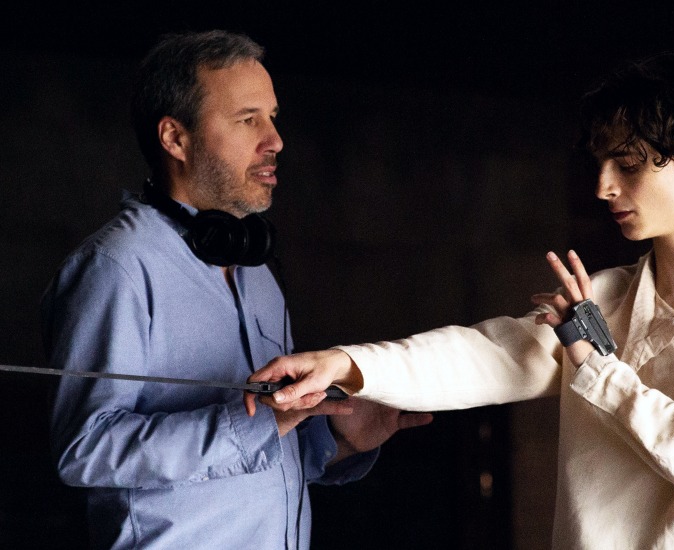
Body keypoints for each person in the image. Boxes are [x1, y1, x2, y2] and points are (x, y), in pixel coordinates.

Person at [247, 51, 674, 549]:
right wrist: (347, 366)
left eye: (627, 164)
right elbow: (482, 355)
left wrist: (600, 370)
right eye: (601, 164)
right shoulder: (600, 299)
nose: (604, 186)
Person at [43, 30, 431, 549]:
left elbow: (255, 453)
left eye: (273, 118)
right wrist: (257, 426)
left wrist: (335, 435)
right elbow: (85, 451)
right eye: (249, 120)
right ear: (175, 139)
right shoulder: (116, 267)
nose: (275, 140)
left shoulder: (258, 274)